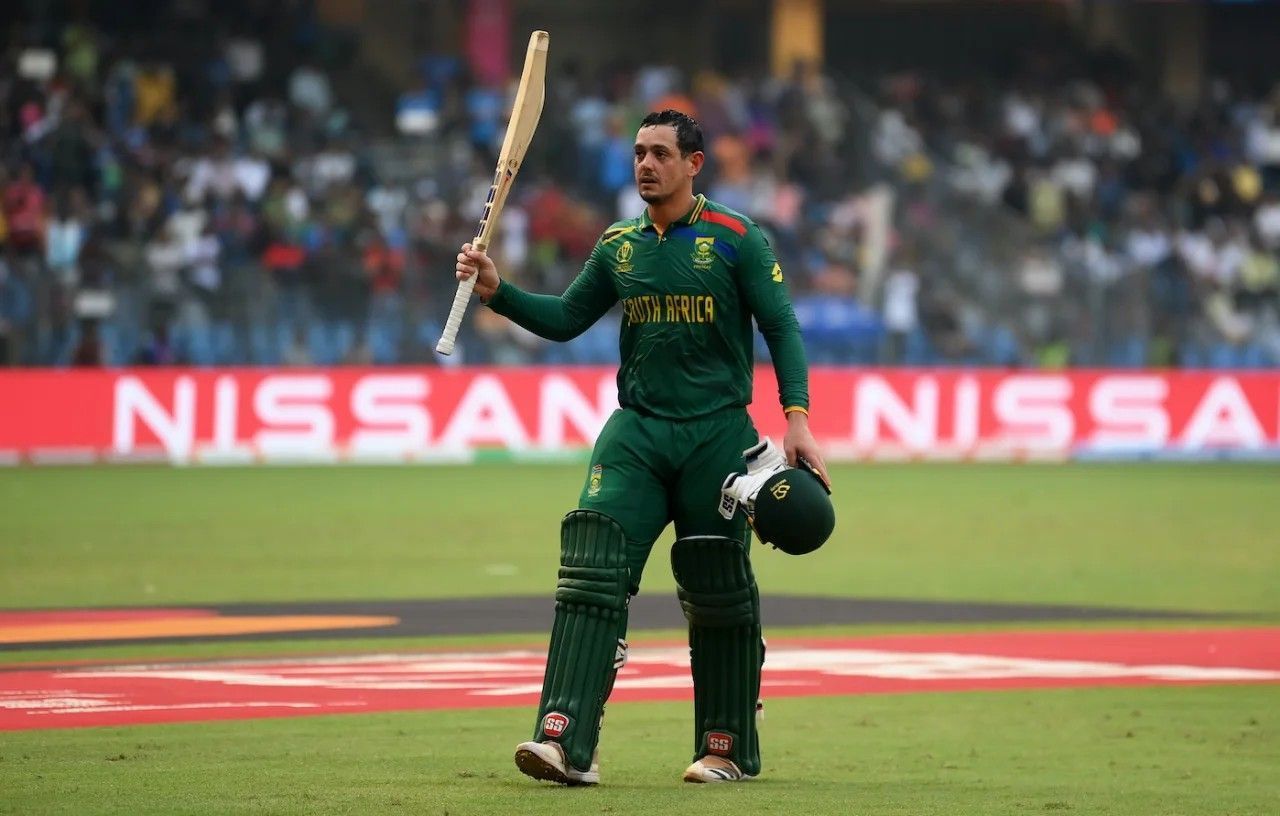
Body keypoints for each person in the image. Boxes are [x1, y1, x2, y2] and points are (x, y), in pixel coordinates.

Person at [454, 109, 828, 785]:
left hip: (717, 435)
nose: (645, 164)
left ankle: (727, 747)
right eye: (638, 153)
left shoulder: (739, 238)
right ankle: (564, 741)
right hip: (638, 430)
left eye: (660, 153)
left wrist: (796, 418)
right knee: (592, 563)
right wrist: (499, 292)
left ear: (694, 164)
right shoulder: (618, 242)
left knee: (715, 583)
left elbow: (782, 328)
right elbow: (569, 318)